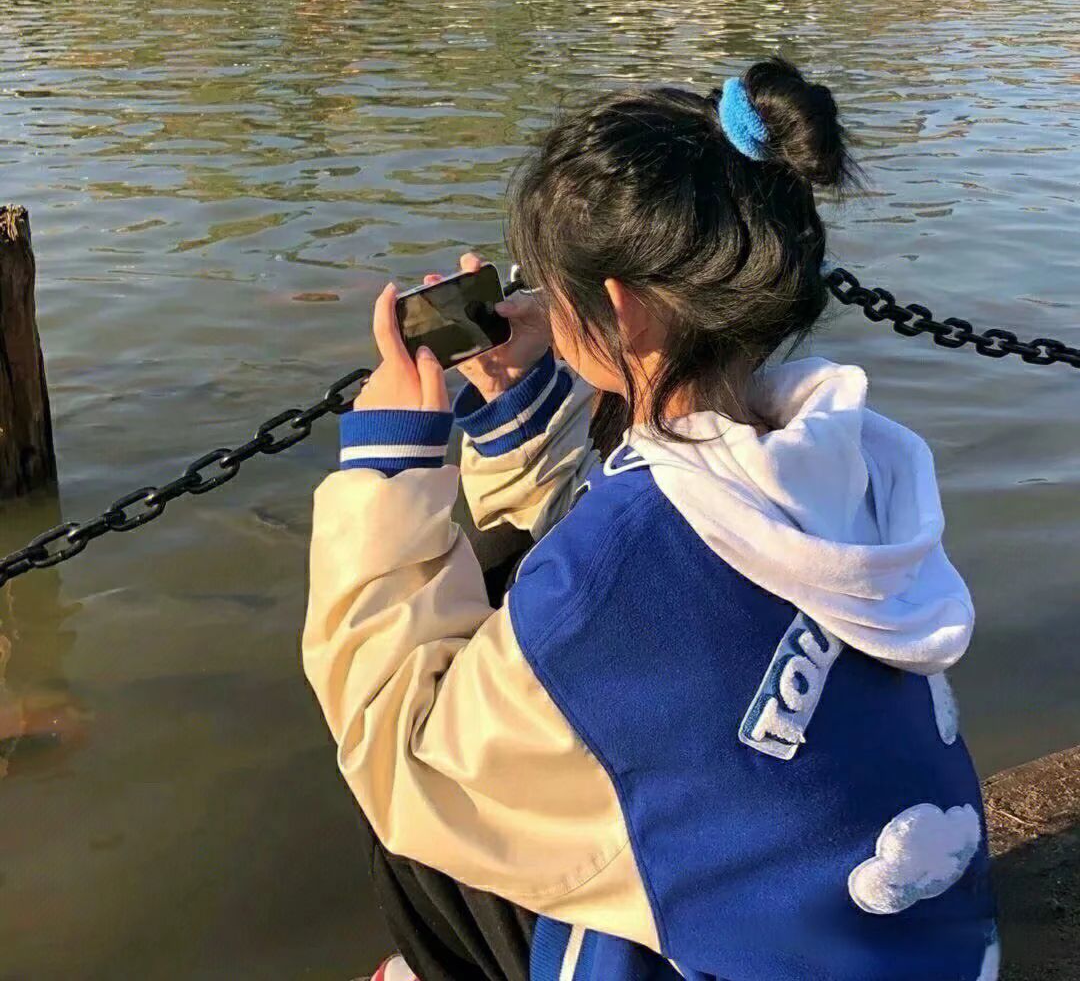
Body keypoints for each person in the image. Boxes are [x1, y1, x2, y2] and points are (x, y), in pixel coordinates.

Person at [303, 58, 998, 981]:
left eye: (549, 285)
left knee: (420, 832)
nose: (535, 301)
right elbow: (620, 574)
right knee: (513, 610)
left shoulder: (617, 571)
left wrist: (389, 469)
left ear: (621, 310)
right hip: (928, 946)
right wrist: (519, 410)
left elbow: (408, 760)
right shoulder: (848, 464)